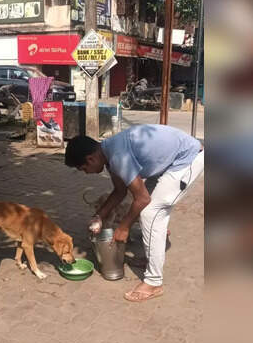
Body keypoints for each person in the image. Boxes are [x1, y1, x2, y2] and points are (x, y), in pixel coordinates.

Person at [65, 125, 204, 302]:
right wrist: (99, 216)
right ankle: (152, 259)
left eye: (83, 169)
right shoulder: (108, 153)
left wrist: (124, 227)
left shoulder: (117, 156)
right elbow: (120, 191)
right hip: (171, 161)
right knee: (148, 213)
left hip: (188, 159)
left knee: (150, 213)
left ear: (90, 159)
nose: (86, 173)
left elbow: (143, 198)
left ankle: (154, 283)